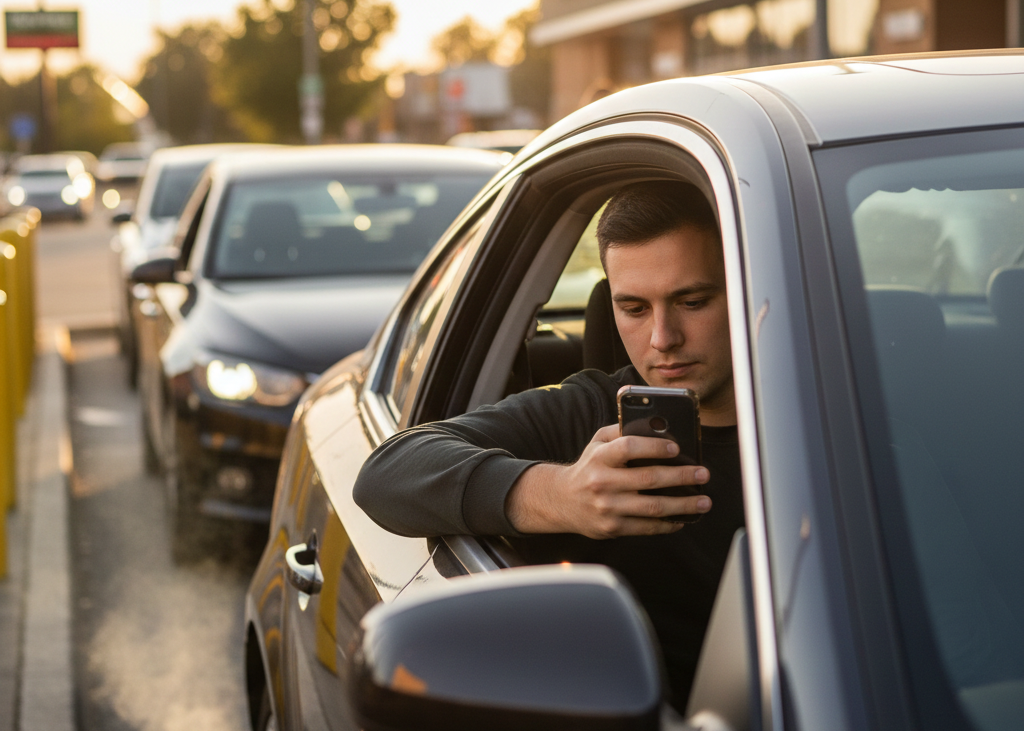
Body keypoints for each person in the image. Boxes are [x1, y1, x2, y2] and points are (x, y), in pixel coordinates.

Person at [354, 179, 745, 708]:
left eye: (692, 301)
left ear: (748, 287)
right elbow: (385, 473)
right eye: (633, 309)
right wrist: (561, 495)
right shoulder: (589, 413)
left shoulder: (844, 412)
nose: (662, 338)